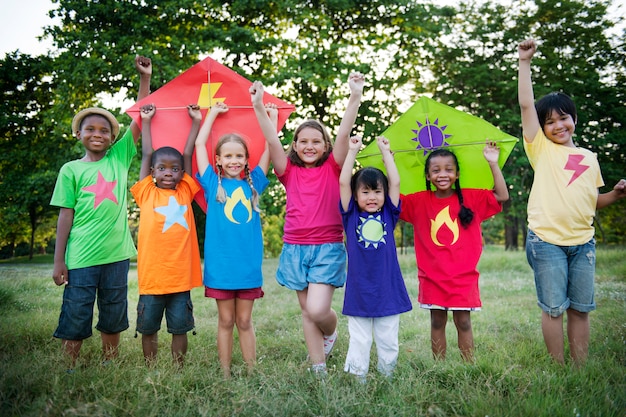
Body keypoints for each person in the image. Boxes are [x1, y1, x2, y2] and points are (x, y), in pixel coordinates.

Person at [518, 39, 626, 365]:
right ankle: (558, 367)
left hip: (584, 243)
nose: (557, 126)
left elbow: (591, 201)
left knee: (581, 308)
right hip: (546, 240)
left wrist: (616, 195)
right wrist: (524, 63)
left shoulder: (589, 158)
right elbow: (525, 106)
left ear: (574, 118)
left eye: (563, 118)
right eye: (549, 121)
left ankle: (578, 369)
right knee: (553, 309)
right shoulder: (540, 148)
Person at [251, 72, 365, 375]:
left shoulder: (332, 166)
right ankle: (319, 368)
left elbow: (343, 134)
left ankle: (331, 331)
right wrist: (259, 106)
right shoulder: (287, 170)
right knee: (305, 311)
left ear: (326, 146)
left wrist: (354, 96)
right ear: (296, 145)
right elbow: (272, 140)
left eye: (316, 141)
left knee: (317, 309)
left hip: (327, 246)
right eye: (303, 141)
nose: (310, 146)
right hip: (295, 248)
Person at [51, 56, 152, 370]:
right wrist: (59, 260)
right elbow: (65, 216)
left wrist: (144, 79)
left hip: (117, 255)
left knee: (113, 309)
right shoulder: (70, 170)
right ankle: (70, 364)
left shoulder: (119, 159)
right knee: (76, 310)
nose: (98, 133)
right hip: (80, 256)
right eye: (90, 129)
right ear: (78, 134)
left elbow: (138, 119)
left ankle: (111, 362)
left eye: (105, 130)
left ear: (112, 137)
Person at [400, 143, 509, 362]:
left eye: (449, 169)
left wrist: (492, 163)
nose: (443, 174)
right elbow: (392, 200)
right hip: (432, 276)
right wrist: (388, 161)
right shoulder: (418, 202)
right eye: (436, 170)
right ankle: (439, 366)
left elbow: (502, 195)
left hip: (463, 276)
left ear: (457, 174)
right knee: (437, 322)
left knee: (464, 322)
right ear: (428, 176)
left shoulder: (472, 198)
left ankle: (468, 365)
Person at [195, 101, 272, 378]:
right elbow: (200, 144)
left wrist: (271, 120)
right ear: (218, 160)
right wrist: (212, 114)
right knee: (226, 320)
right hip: (221, 269)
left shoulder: (253, 185)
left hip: (248, 268)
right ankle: (225, 372)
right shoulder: (212, 184)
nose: (233, 161)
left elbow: (270, 151)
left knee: (244, 320)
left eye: (239, 156)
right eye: (227, 156)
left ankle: (252, 370)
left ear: (246, 160)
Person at [130, 103, 203, 367]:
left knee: (179, 328)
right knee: (148, 328)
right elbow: (147, 152)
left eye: (174, 169)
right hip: (152, 278)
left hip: (180, 277)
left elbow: (187, 152)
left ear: (182, 173)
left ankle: (178, 368)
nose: (169, 172)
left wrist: (195, 122)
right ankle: (150, 367)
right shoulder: (146, 192)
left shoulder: (185, 191)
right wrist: (146, 121)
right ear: (152, 172)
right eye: (162, 168)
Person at [339, 135, 412, 382]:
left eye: (377, 191)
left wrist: (386, 154)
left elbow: (396, 182)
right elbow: (343, 183)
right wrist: (352, 151)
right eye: (366, 192)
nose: (372, 197)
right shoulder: (350, 216)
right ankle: (357, 379)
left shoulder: (389, 215)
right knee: (360, 338)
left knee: (388, 337)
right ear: (356, 196)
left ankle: (387, 376)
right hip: (359, 289)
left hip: (387, 287)